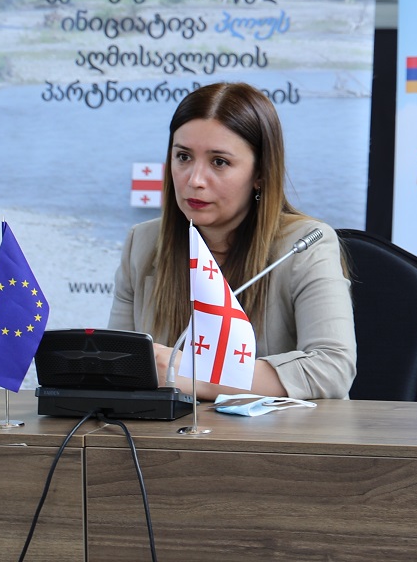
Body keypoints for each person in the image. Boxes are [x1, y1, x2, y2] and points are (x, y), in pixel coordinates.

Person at [110, 82, 356, 400]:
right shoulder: (142, 243)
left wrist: (197, 374)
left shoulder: (305, 246)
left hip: (279, 432)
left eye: (219, 162)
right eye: (183, 157)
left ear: (260, 174)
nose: (194, 180)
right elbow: (116, 365)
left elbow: (332, 369)